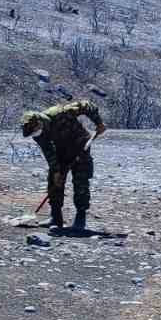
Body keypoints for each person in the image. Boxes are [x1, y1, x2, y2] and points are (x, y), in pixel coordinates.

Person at [21, 98, 105, 231]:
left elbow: (87, 105)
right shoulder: (37, 134)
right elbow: (48, 152)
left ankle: (80, 218)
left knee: (81, 181)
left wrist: (98, 123)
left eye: (36, 130)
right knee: (54, 182)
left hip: (80, 147)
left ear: (39, 122)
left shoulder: (60, 113)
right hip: (61, 152)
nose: (36, 134)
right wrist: (56, 171)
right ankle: (56, 218)